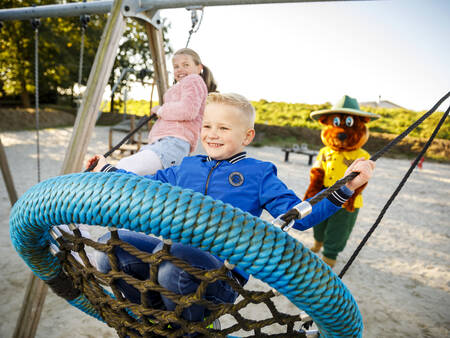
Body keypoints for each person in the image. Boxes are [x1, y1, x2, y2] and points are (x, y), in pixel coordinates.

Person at [87, 92, 376, 326]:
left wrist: (346, 187)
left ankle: (190, 328)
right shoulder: (186, 167)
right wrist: (107, 169)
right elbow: (142, 187)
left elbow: (299, 216)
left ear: (246, 136)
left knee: (175, 261)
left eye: (224, 128)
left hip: (220, 277)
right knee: (112, 245)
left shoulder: (258, 173)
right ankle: (151, 321)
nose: (212, 134)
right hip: (169, 264)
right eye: (207, 126)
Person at [115, 48, 217, 175]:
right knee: (132, 173)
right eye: (176, 66)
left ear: (199, 68)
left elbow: (188, 110)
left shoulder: (193, 80)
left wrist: (161, 110)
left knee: (124, 168)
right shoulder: (183, 85)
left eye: (186, 65)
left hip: (173, 143)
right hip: (165, 143)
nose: (180, 69)